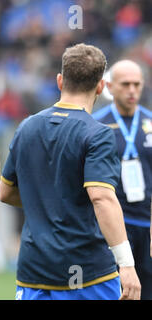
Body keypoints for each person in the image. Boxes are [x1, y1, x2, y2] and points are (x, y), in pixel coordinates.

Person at [0, 43, 141, 300]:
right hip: (89, 273)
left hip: (34, 272)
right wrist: (127, 264)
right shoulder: (98, 134)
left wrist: (47, 203)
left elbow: (6, 193)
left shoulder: (26, 127)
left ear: (60, 80)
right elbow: (102, 198)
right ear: (100, 86)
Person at [92, 60, 152, 300]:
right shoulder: (96, 125)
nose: (132, 90)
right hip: (115, 224)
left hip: (148, 226)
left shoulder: (150, 122)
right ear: (110, 86)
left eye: (136, 84)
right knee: (117, 293)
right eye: (125, 84)